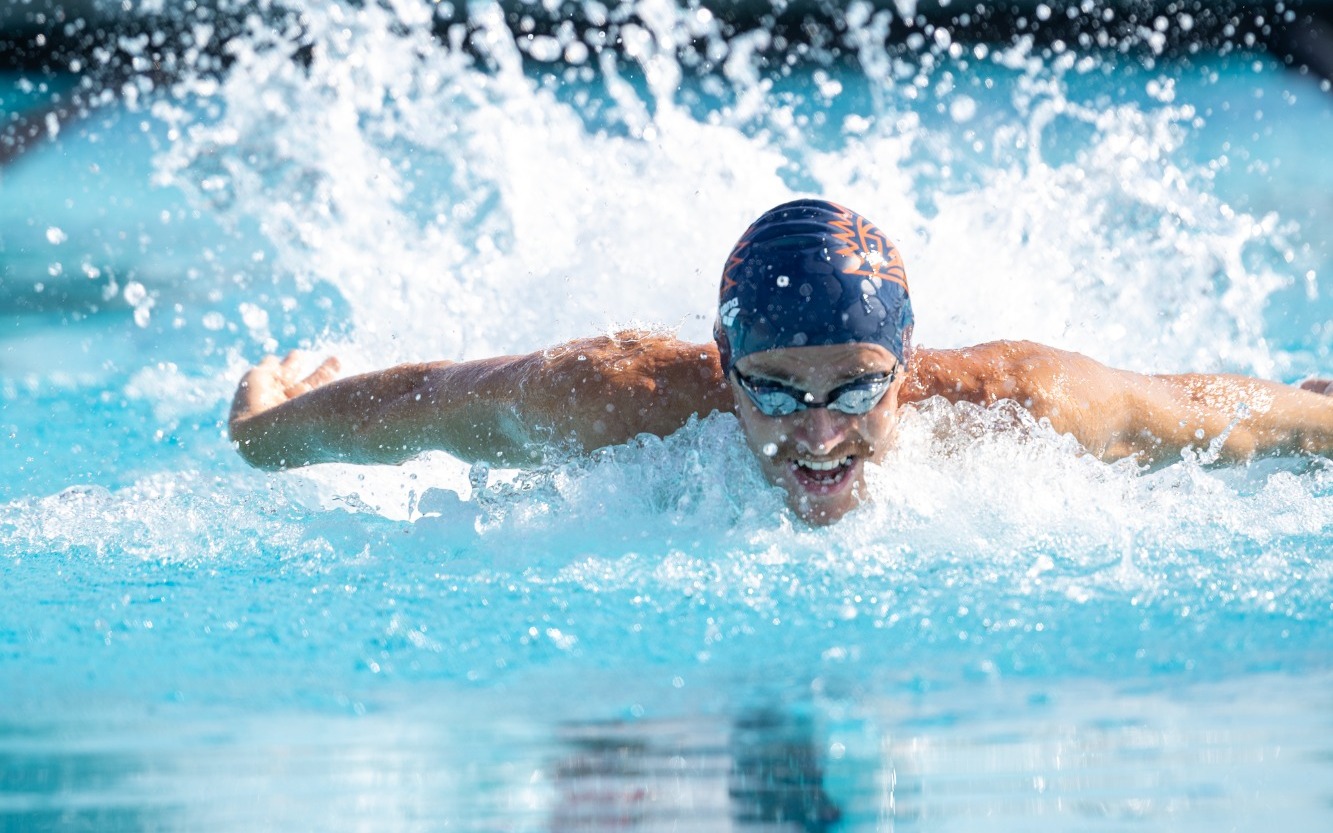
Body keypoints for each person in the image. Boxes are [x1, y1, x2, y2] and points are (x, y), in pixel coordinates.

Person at [228, 199, 1333, 525]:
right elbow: (429, 403)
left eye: (856, 390)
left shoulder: (1030, 404)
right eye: (774, 390)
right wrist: (274, 425)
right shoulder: (607, 399)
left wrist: (1310, 415)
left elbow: (1198, 408)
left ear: (907, 367)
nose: (815, 433)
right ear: (721, 365)